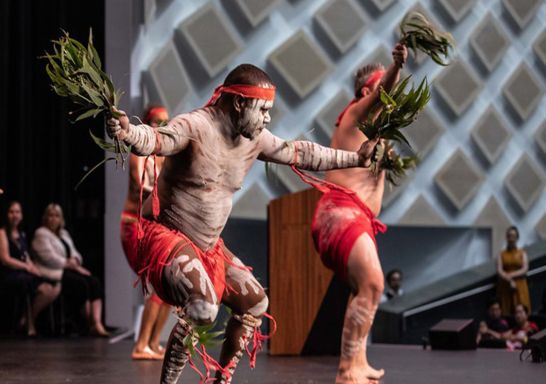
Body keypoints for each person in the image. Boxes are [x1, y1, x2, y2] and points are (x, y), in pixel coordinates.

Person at [107, 63, 381, 384]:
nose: (267, 118)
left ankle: (222, 381)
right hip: (168, 236)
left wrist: (355, 159)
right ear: (239, 103)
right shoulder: (195, 126)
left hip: (209, 248)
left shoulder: (255, 139)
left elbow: (300, 153)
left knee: (255, 304)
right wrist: (128, 133)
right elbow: (156, 140)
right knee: (203, 309)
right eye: (262, 109)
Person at [311, 43, 407, 384]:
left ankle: (358, 360)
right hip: (340, 213)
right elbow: (383, 93)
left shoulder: (376, 135)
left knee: (362, 289)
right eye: (386, 88)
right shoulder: (355, 114)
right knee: (374, 283)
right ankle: (345, 368)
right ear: (368, 92)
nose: (393, 95)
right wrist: (396, 67)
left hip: (357, 217)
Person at [120, 105, 171, 360]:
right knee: (156, 283)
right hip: (135, 225)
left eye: (165, 122)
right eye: (156, 122)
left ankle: (152, 342)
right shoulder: (139, 153)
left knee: (167, 287)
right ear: (147, 124)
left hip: (154, 227)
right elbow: (142, 186)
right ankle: (141, 345)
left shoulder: (164, 157)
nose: (161, 127)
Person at [32, 203, 109, 336]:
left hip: (69, 269)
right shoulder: (41, 234)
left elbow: (75, 253)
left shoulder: (64, 234)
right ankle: (88, 323)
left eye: (56, 216)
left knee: (94, 282)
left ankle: (97, 323)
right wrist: (71, 264)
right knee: (81, 284)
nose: (53, 219)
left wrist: (76, 261)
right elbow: (49, 258)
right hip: (53, 272)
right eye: (50, 215)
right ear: (45, 217)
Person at [0, 201, 60, 336]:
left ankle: (27, 318)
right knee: (36, 286)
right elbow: (5, 259)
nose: (14, 215)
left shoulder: (21, 234)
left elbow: (25, 256)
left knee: (51, 286)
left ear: (21, 215)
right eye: (11, 212)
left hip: (23, 271)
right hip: (9, 273)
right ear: (7, 214)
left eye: (17, 212)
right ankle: (29, 323)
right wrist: (27, 267)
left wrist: (33, 268)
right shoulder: (2, 233)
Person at [497, 226, 531, 316]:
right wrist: (510, 280)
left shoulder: (522, 252)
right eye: (509, 236)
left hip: (520, 285)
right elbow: (499, 270)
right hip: (506, 285)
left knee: (522, 309)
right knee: (507, 310)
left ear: (517, 238)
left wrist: (510, 276)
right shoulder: (501, 254)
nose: (511, 238)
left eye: (513, 236)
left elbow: (525, 269)